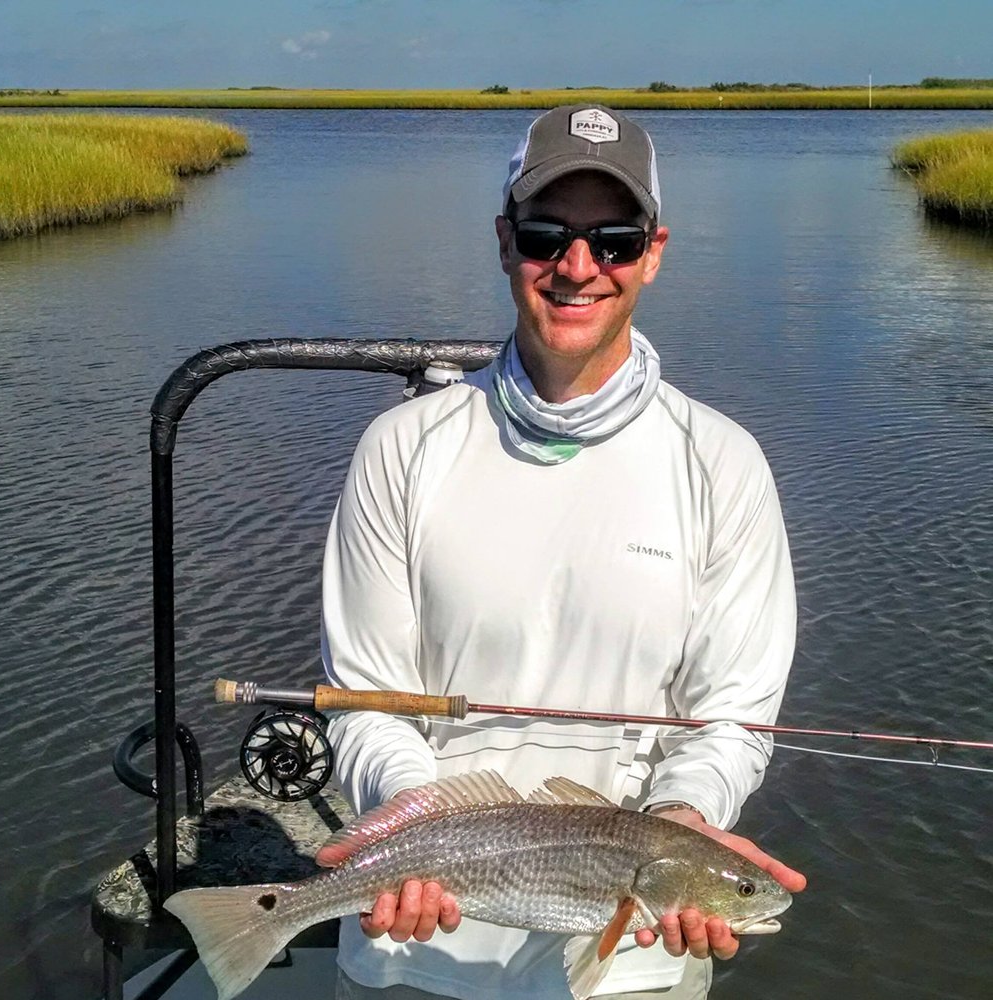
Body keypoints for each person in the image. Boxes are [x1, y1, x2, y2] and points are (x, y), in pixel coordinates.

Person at [319, 104, 806, 1000]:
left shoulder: (722, 463)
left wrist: (684, 817)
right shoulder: (403, 446)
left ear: (653, 251)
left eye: (613, 240)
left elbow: (731, 715)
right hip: (414, 954)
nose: (578, 268)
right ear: (505, 242)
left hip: (639, 964)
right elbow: (363, 698)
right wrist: (413, 825)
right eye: (548, 234)